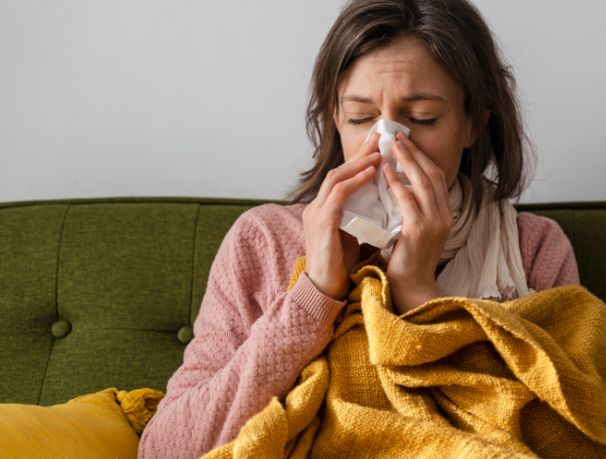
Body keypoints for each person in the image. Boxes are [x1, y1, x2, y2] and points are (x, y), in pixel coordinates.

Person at [138, 0, 579, 457]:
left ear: (473, 122)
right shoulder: (264, 241)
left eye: (422, 118)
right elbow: (165, 450)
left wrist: (420, 297)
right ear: (335, 119)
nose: (387, 146)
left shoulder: (531, 249)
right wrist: (313, 296)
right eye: (361, 118)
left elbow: (566, 439)